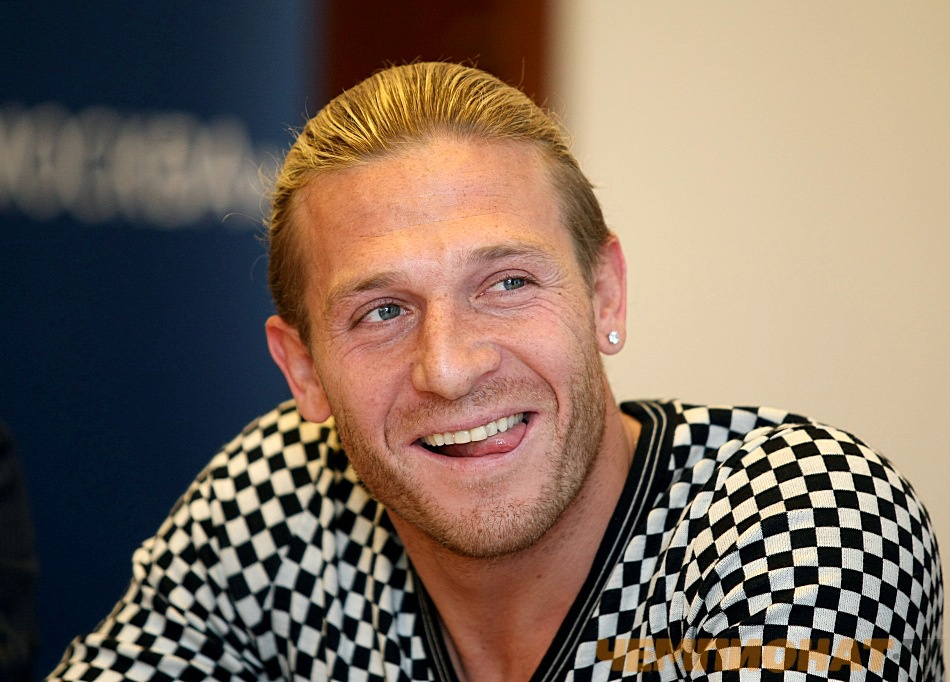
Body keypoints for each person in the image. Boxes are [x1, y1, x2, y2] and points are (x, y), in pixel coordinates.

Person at [48, 62, 942, 681]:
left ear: (604, 294)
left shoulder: (803, 517)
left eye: (507, 284)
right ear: (304, 371)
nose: (449, 368)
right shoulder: (279, 498)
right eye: (382, 311)